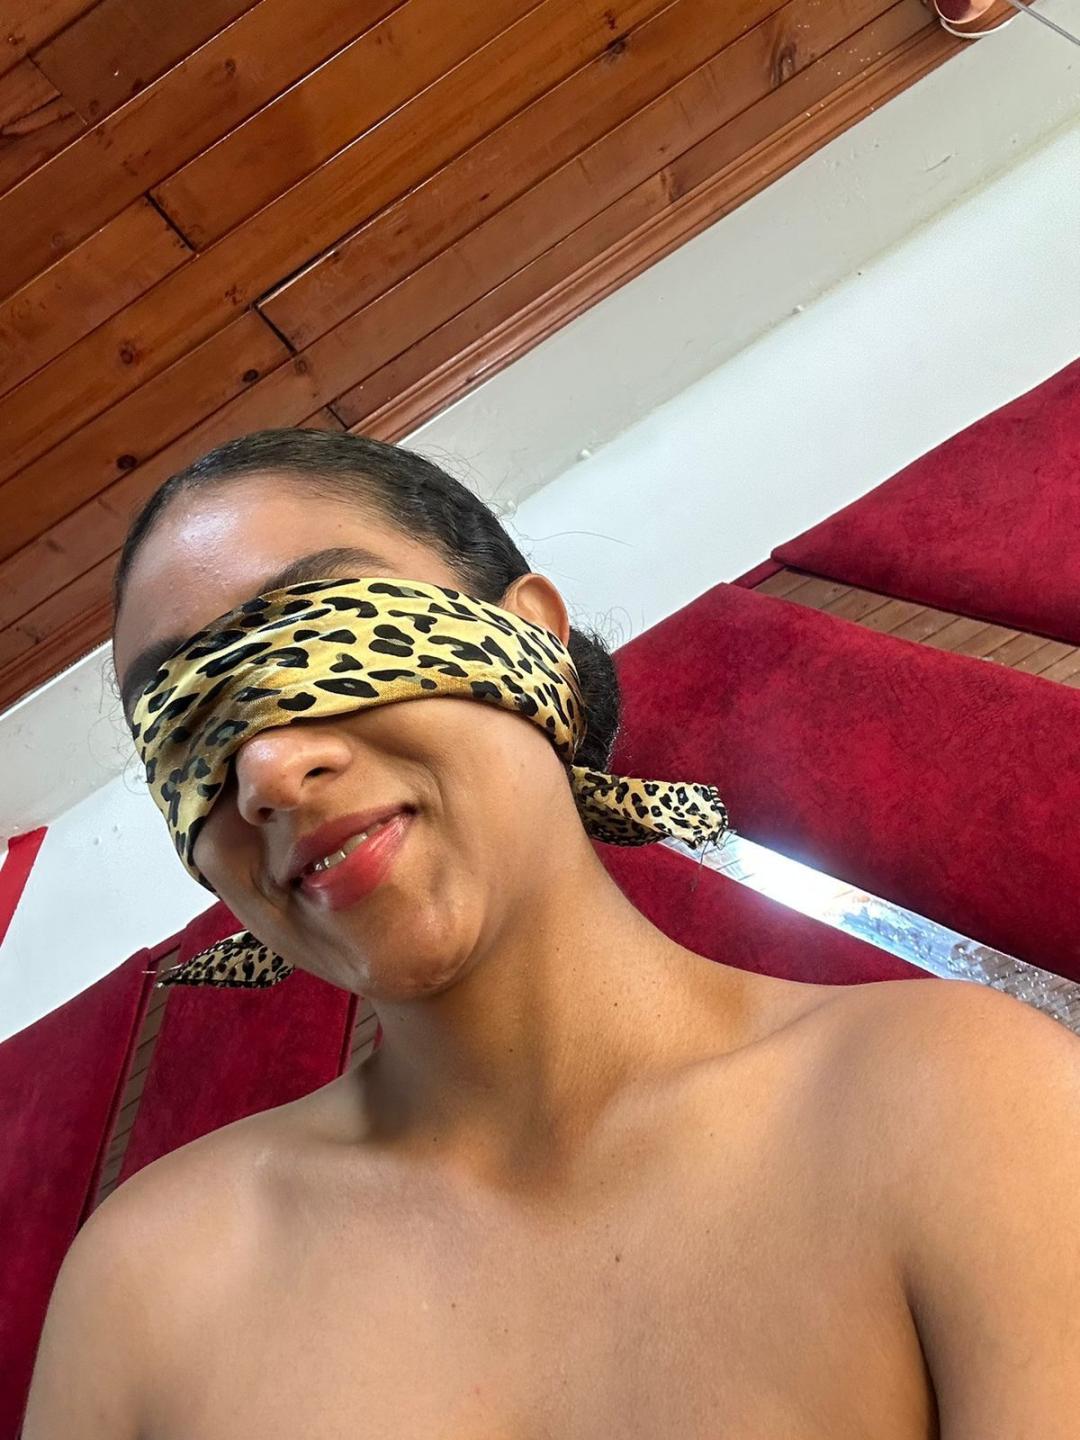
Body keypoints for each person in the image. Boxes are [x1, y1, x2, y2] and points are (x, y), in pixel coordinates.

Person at [23, 429, 1080, 1439]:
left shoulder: (961, 1098)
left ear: (532, 640)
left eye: (324, 637)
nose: (265, 771)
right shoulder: (145, 1287)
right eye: (188, 730)